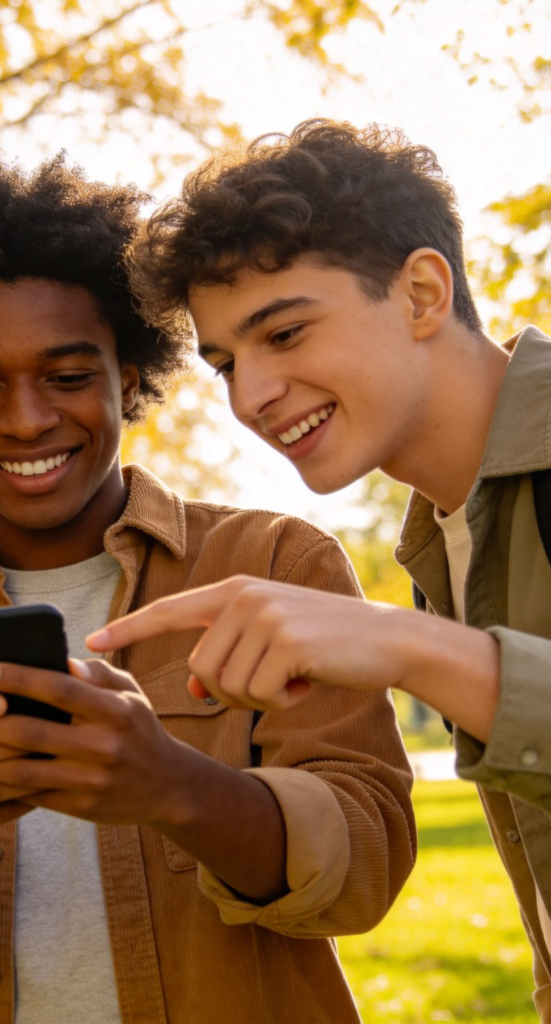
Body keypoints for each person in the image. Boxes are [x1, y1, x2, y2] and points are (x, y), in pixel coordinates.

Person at [0, 151, 416, 1023]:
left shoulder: (276, 564)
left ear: (131, 374)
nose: (26, 418)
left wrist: (174, 786)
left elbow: (369, 868)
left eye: (70, 376)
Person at [89, 118, 551, 1018]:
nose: (250, 397)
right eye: (226, 363)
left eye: (286, 333)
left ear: (421, 293)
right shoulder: (449, 535)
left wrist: (410, 647)